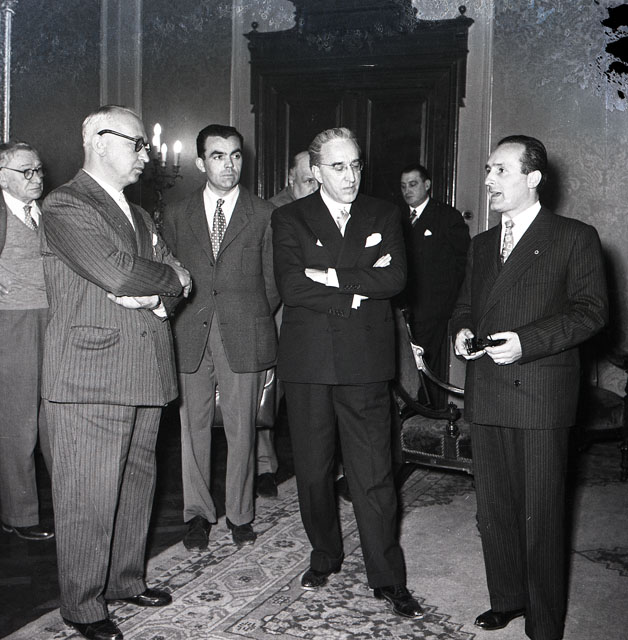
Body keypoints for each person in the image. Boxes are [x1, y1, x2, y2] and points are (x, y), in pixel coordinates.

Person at [41, 105, 191, 640]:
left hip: (146, 367)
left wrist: (157, 295)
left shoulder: (141, 215)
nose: (146, 154)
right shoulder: (65, 204)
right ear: (99, 141)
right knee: (88, 495)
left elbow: (181, 275)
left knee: (134, 484)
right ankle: (82, 605)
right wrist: (161, 281)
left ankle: (125, 581)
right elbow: (117, 271)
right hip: (91, 375)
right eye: (136, 143)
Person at [451, 135, 608, 640]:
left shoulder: (573, 237)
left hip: (539, 394)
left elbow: (591, 313)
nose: (488, 180)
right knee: (493, 510)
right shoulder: (480, 245)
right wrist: (461, 331)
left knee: (540, 515)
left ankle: (544, 621)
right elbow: (464, 306)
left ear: (533, 177)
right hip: (488, 391)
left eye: (500, 170)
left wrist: (527, 342)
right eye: (488, 170)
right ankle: (507, 598)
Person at [272, 126, 423, 619]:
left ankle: (388, 577)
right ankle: (325, 555)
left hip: (364, 362)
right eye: (338, 167)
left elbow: (395, 278)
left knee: (373, 473)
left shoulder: (383, 213)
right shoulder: (289, 217)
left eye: (355, 164)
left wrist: (332, 276)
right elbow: (293, 287)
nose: (350, 175)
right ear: (316, 172)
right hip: (309, 363)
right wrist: (358, 291)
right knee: (314, 473)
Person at [162, 124, 279, 552]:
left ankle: (240, 514)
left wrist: (247, 315)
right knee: (192, 430)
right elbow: (169, 272)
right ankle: (197, 514)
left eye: (235, 155)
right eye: (217, 156)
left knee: (242, 429)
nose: (228, 165)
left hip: (243, 333)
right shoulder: (177, 213)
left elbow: (274, 282)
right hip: (190, 333)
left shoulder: (264, 213)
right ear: (200, 163)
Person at [253, 150, 320, 500]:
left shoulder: (327, 207)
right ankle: (264, 467)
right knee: (268, 393)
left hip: (315, 315)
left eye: (318, 180)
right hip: (277, 313)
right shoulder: (272, 212)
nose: (315, 188)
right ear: (290, 179)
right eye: (308, 181)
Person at [0, 141, 53, 542]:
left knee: (53, 417)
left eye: (38, 170)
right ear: (3, 177)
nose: (36, 178)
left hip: (53, 320)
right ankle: (19, 515)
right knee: (18, 422)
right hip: (13, 323)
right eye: (26, 172)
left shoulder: (46, 212)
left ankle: (69, 503)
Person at [399, 163, 470, 407]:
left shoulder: (446, 217)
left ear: (427, 185)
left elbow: (463, 262)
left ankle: (427, 411)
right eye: (403, 186)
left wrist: (452, 300)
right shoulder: (396, 217)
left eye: (413, 184)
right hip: (403, 305)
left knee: (427, 363)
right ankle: (409, 410)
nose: (407, 191)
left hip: (434, 307)